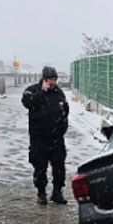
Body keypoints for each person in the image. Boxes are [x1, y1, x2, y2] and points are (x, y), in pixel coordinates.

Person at [21, 66, 70, 205]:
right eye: (49, 79)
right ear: (43, 79)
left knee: (59, 167)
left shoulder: (59, 93)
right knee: (40, 167)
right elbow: (27, 102)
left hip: (56, 138)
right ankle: (41, 193)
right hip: (39, 138)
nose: (52, 82)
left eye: (54, 79)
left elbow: (65, 110)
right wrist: (42, 92)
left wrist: (62, 127)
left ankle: (57, 192)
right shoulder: (33, 90)